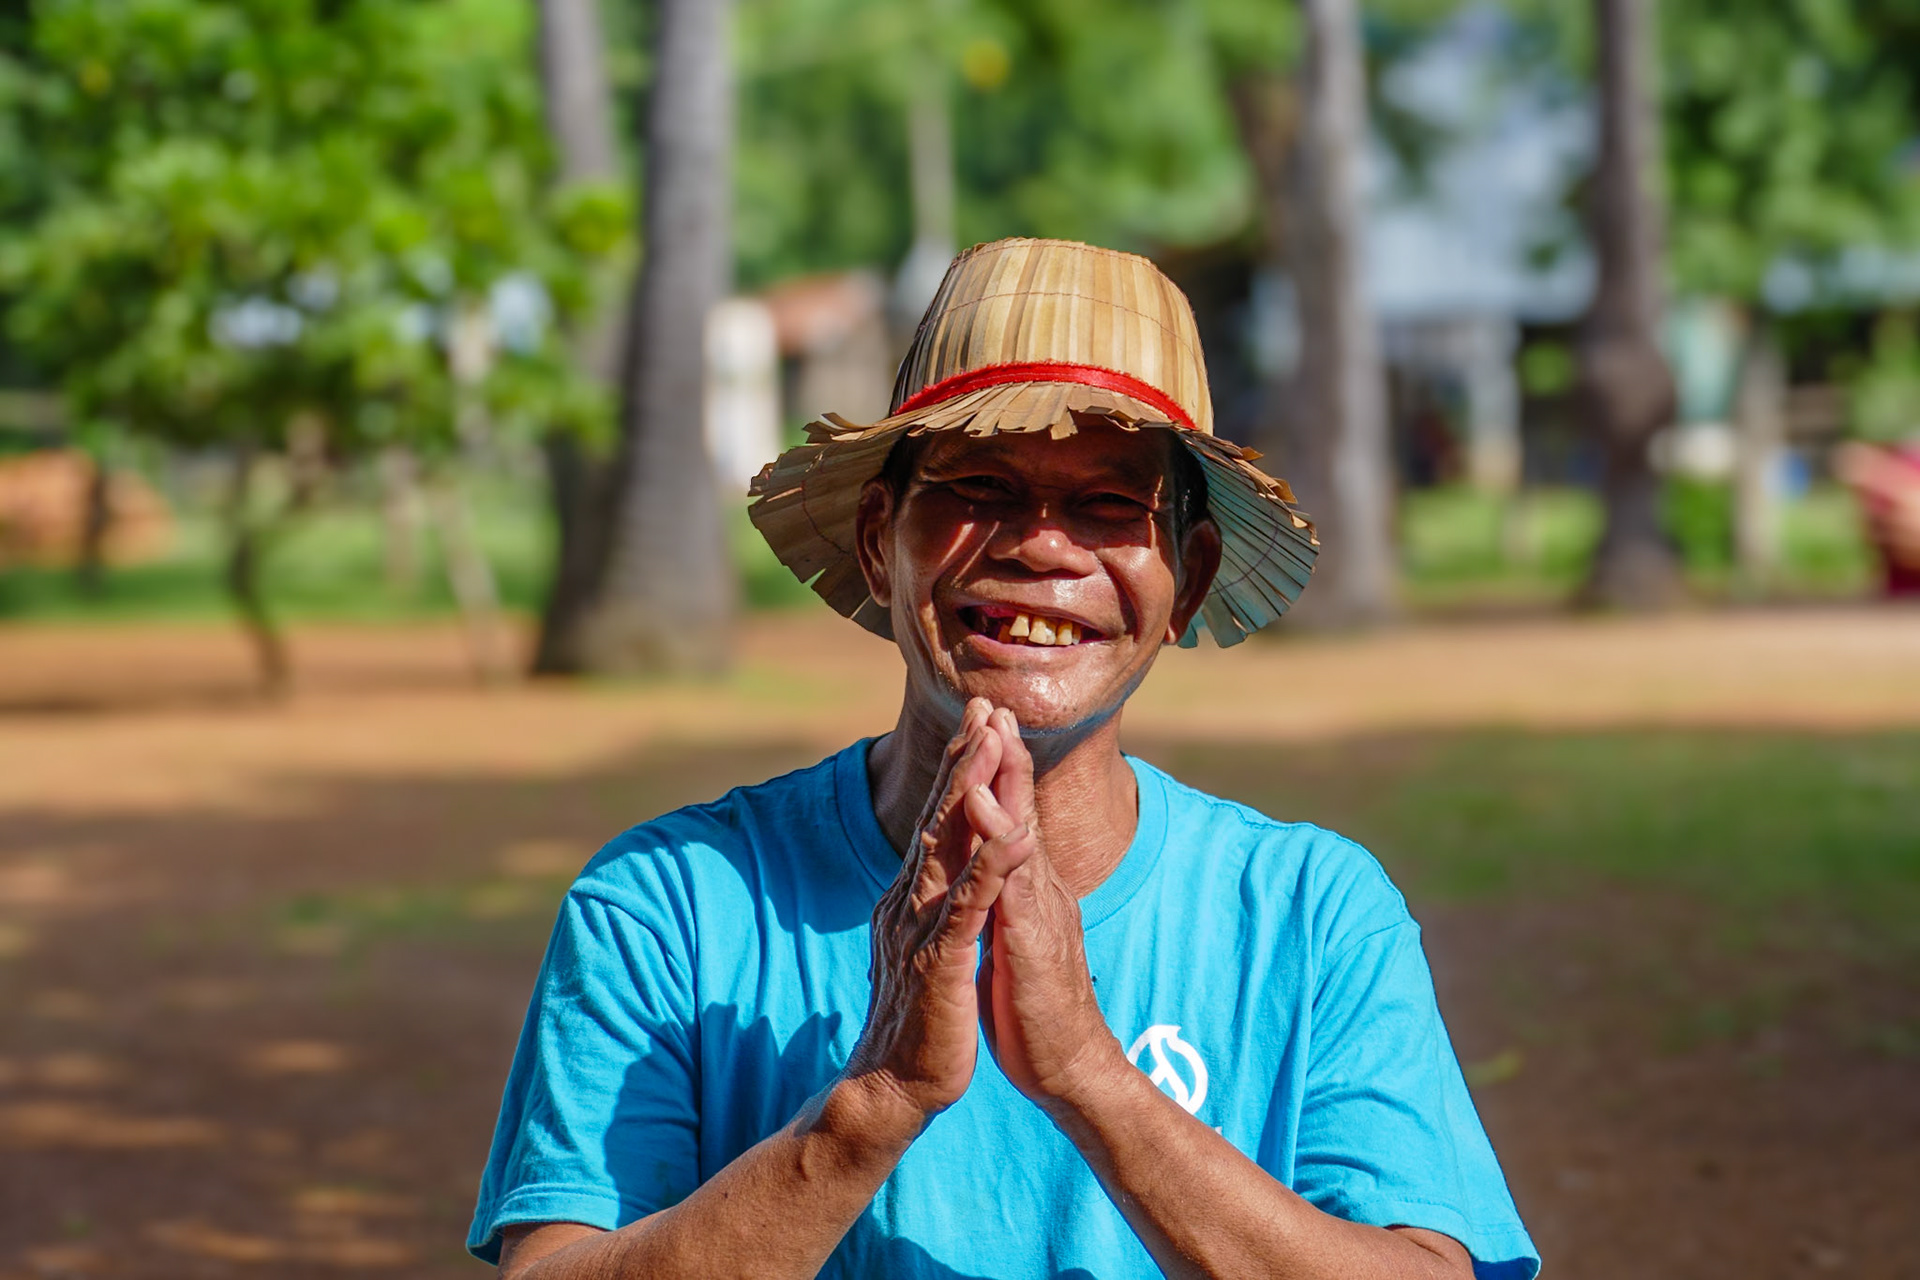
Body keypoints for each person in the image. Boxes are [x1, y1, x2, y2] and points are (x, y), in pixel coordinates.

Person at [470, 238, 1539, 1279]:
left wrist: (1088, 1073)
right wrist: (870, 1104)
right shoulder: (672, 906)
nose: (1040, 543)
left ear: (1192, 575)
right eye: (979, 485)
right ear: (879, 536)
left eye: (1111, 502)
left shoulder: (1310, 913)